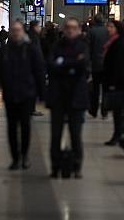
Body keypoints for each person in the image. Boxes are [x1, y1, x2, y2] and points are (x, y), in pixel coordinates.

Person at [0, 21, 46, 170]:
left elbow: (39, 72)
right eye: (13, 30)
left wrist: (42, 94)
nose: (16, 33)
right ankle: (15, 158)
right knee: (12, 128)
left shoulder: (31, 49)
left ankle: (25, 155)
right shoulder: (5, 51)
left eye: (18, 30)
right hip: (10, 94)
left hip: (27, 94)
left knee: (25, 126)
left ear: (23, 32)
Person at [46, 18, 90, 179]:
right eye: (68, 28)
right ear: (64, 30)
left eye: (74, 28)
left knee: (76, 135)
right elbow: (51, 65)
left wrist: (62, 62)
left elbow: (83, 65)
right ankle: (55, 166)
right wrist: (72, 64)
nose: (70, 31)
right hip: (58, 97)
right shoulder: (56, 46)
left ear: (78, 30)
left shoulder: (83, 47)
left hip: (77, 98)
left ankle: (77, 166)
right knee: (55, 135)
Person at [102, 20, 124, 146]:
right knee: (116, 111)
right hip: (112, 80)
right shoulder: (113, 42)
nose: (108, 29)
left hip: (116, 82)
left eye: (111, 26)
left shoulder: (119, 43)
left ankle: (118, 134)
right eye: (108, 26)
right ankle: (118, 134)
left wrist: (113, 82)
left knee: (118, 111)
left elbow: (118, 65)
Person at [88, 13, 109, 118]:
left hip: (95, 63)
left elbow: (89, 48)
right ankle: (104, 111)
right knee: (105, 88)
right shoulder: (108, 31)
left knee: (95, 88)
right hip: (106, 63)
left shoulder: (91, 31)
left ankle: (94, 110)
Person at [28, 20, 45, 116]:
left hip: (32, 68)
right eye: (39, 26)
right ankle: (31, 109)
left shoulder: (31, 36)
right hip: (34, 68)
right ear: (35, 27)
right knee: (33, 89)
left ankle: (31, 108)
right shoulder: (34, 37)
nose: (40, 28)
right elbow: (36, 53)